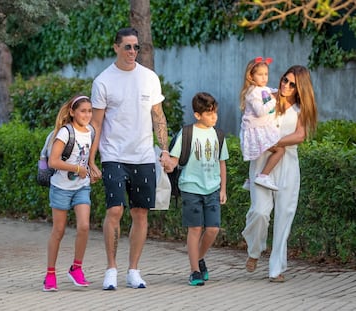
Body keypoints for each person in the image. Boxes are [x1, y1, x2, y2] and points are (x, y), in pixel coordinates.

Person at [89, 27, 172, 290]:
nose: (133, 52)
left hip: (144, 155)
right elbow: (96, 124)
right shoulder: (103, 81)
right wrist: (90, 160)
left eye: (137, 47)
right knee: (115, 210)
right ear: (116, 47)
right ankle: (111, 268)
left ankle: (133, 270)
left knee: (140, 212)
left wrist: (165, 150)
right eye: (128, 47)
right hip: (114, 155)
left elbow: (158, 116)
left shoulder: (149, 78)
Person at [242, 65, 318, 282]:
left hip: (287, 164)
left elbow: (300, 136)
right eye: (285, 80)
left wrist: (273, 142)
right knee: (259, 212)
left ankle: (276, 269)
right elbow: (249, 120)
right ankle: (255, 250)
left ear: (299, 88)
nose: (285, 85)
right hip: (262, 162)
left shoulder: (301, 108)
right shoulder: (266, 96)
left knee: (284, 216)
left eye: (292, 84)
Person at [169, 92, 229, 286]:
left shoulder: (218, 135)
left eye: (215, 113)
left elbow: (222, 163)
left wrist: (223, 189)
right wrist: (166, 163)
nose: (214, 117)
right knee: (195, 228)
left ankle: (198, 258)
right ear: (197, 115)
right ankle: (195, 271)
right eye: (210, 114)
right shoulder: (186, 133)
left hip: (212, 188)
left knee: (213, 229)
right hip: (190, 187)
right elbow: (174, 160)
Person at [43, 95, 95, 292]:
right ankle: (50, 274)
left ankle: (76, 268)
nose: (87, 115)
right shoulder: (66, 132)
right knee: (59, 231)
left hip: (82, 186)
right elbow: (53, 162)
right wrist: (76, 169)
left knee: (84, 226)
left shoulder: (91, 131)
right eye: (83, 111)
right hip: (61, 188)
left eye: (89, 111)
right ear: (72, 112)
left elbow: (88, 158)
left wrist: (92, 169)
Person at [239, 57, 285, 191]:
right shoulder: (252, 92)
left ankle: (250, 179)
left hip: (260, 128)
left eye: (266, 74)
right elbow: (260, 111)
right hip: (256, 130)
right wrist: (273, 100)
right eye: (260, 74)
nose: (264, 77)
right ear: (251, 76)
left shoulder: (263, 89)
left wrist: (279, 93)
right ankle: (263, 176)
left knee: (258, 155)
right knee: (280, 149)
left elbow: (272, 91)